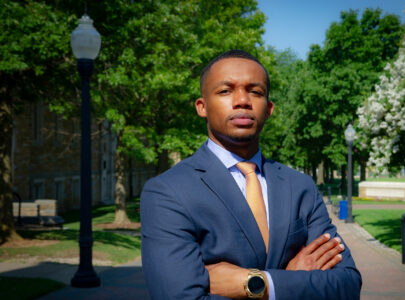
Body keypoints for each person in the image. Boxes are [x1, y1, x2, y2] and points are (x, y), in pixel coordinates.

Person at [141, 50, 362, 299]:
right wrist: (296, 282)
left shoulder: (300, 186)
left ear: (268, 109)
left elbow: (347, 284)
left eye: (255, 91)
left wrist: (260, 284)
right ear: (202, 107)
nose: (242, 100)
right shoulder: (168, 192)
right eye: (225, 91)